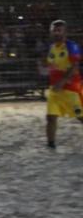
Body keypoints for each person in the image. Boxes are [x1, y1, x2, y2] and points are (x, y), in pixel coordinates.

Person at [39, 19, 82, 149]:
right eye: (54, 30)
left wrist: (62, 81)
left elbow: (75, 66)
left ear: (65, 32)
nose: (56, 33)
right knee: (51, 117)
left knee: (80, 116)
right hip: (55, 89)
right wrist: (43, 66)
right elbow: (49, 64)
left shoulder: (71, 46)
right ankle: (50, 145)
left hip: (71, 88)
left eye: (59, 30)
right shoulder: (51, 48)